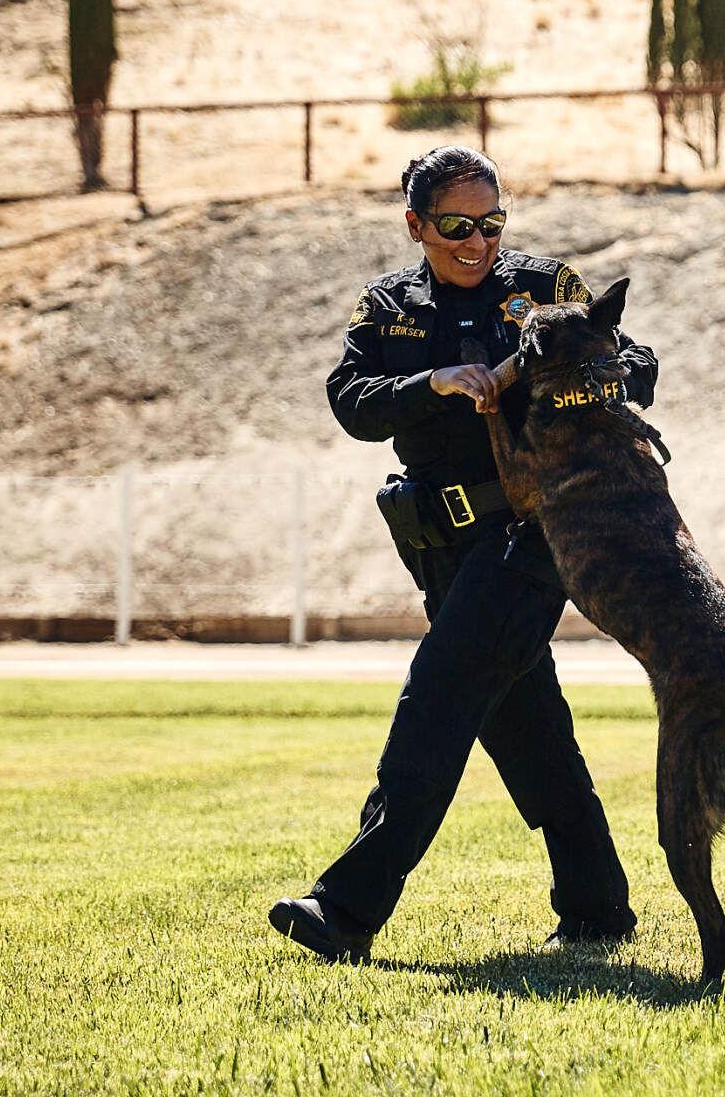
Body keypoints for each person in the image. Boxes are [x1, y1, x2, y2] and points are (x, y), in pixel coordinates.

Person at [269, 146, 659, 962]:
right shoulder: (387, 306)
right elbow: (351, 401)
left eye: (491, 223)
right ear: (416, 225)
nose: (477, 242)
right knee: (528, 725)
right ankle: (597, 907)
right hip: (440, 551)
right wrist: (435, 383)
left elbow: (636, 360)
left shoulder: (545, 287)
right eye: (456, 227)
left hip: (530, 536)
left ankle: (346, 909)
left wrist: (585, 373)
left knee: (438, 701)